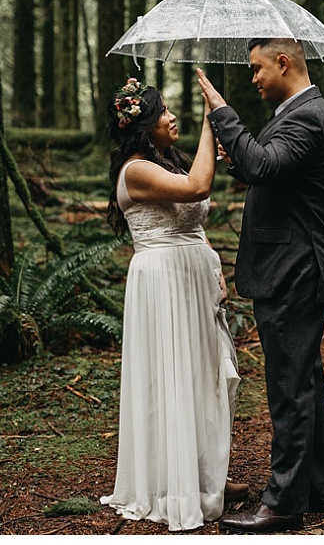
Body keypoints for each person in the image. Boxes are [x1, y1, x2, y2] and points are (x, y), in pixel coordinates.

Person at [200, 37, 324, 533]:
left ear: (284, 63)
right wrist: (239, 155)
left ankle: (282, 503)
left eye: (257, 68)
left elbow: (264, 164)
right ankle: (315, 489)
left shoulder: (306, 115)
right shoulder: (297, 113)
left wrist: (223, 113)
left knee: (290, 387)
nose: (253, 78)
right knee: (303, 382)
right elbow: (269, 171)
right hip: (291, 267)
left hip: (295, 271)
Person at [98, 75, 246, 531]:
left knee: (202, 375)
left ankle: (206, 478)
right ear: (143, 123)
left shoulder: (165, 161)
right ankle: (175, 486)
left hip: (191, 278)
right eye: (163, 111)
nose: (171, 116)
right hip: (163, 281)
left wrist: (212, 263)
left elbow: (192, 218)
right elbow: (199, 188)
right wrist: (211, 121)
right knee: (172, 375)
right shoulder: (137, 171)